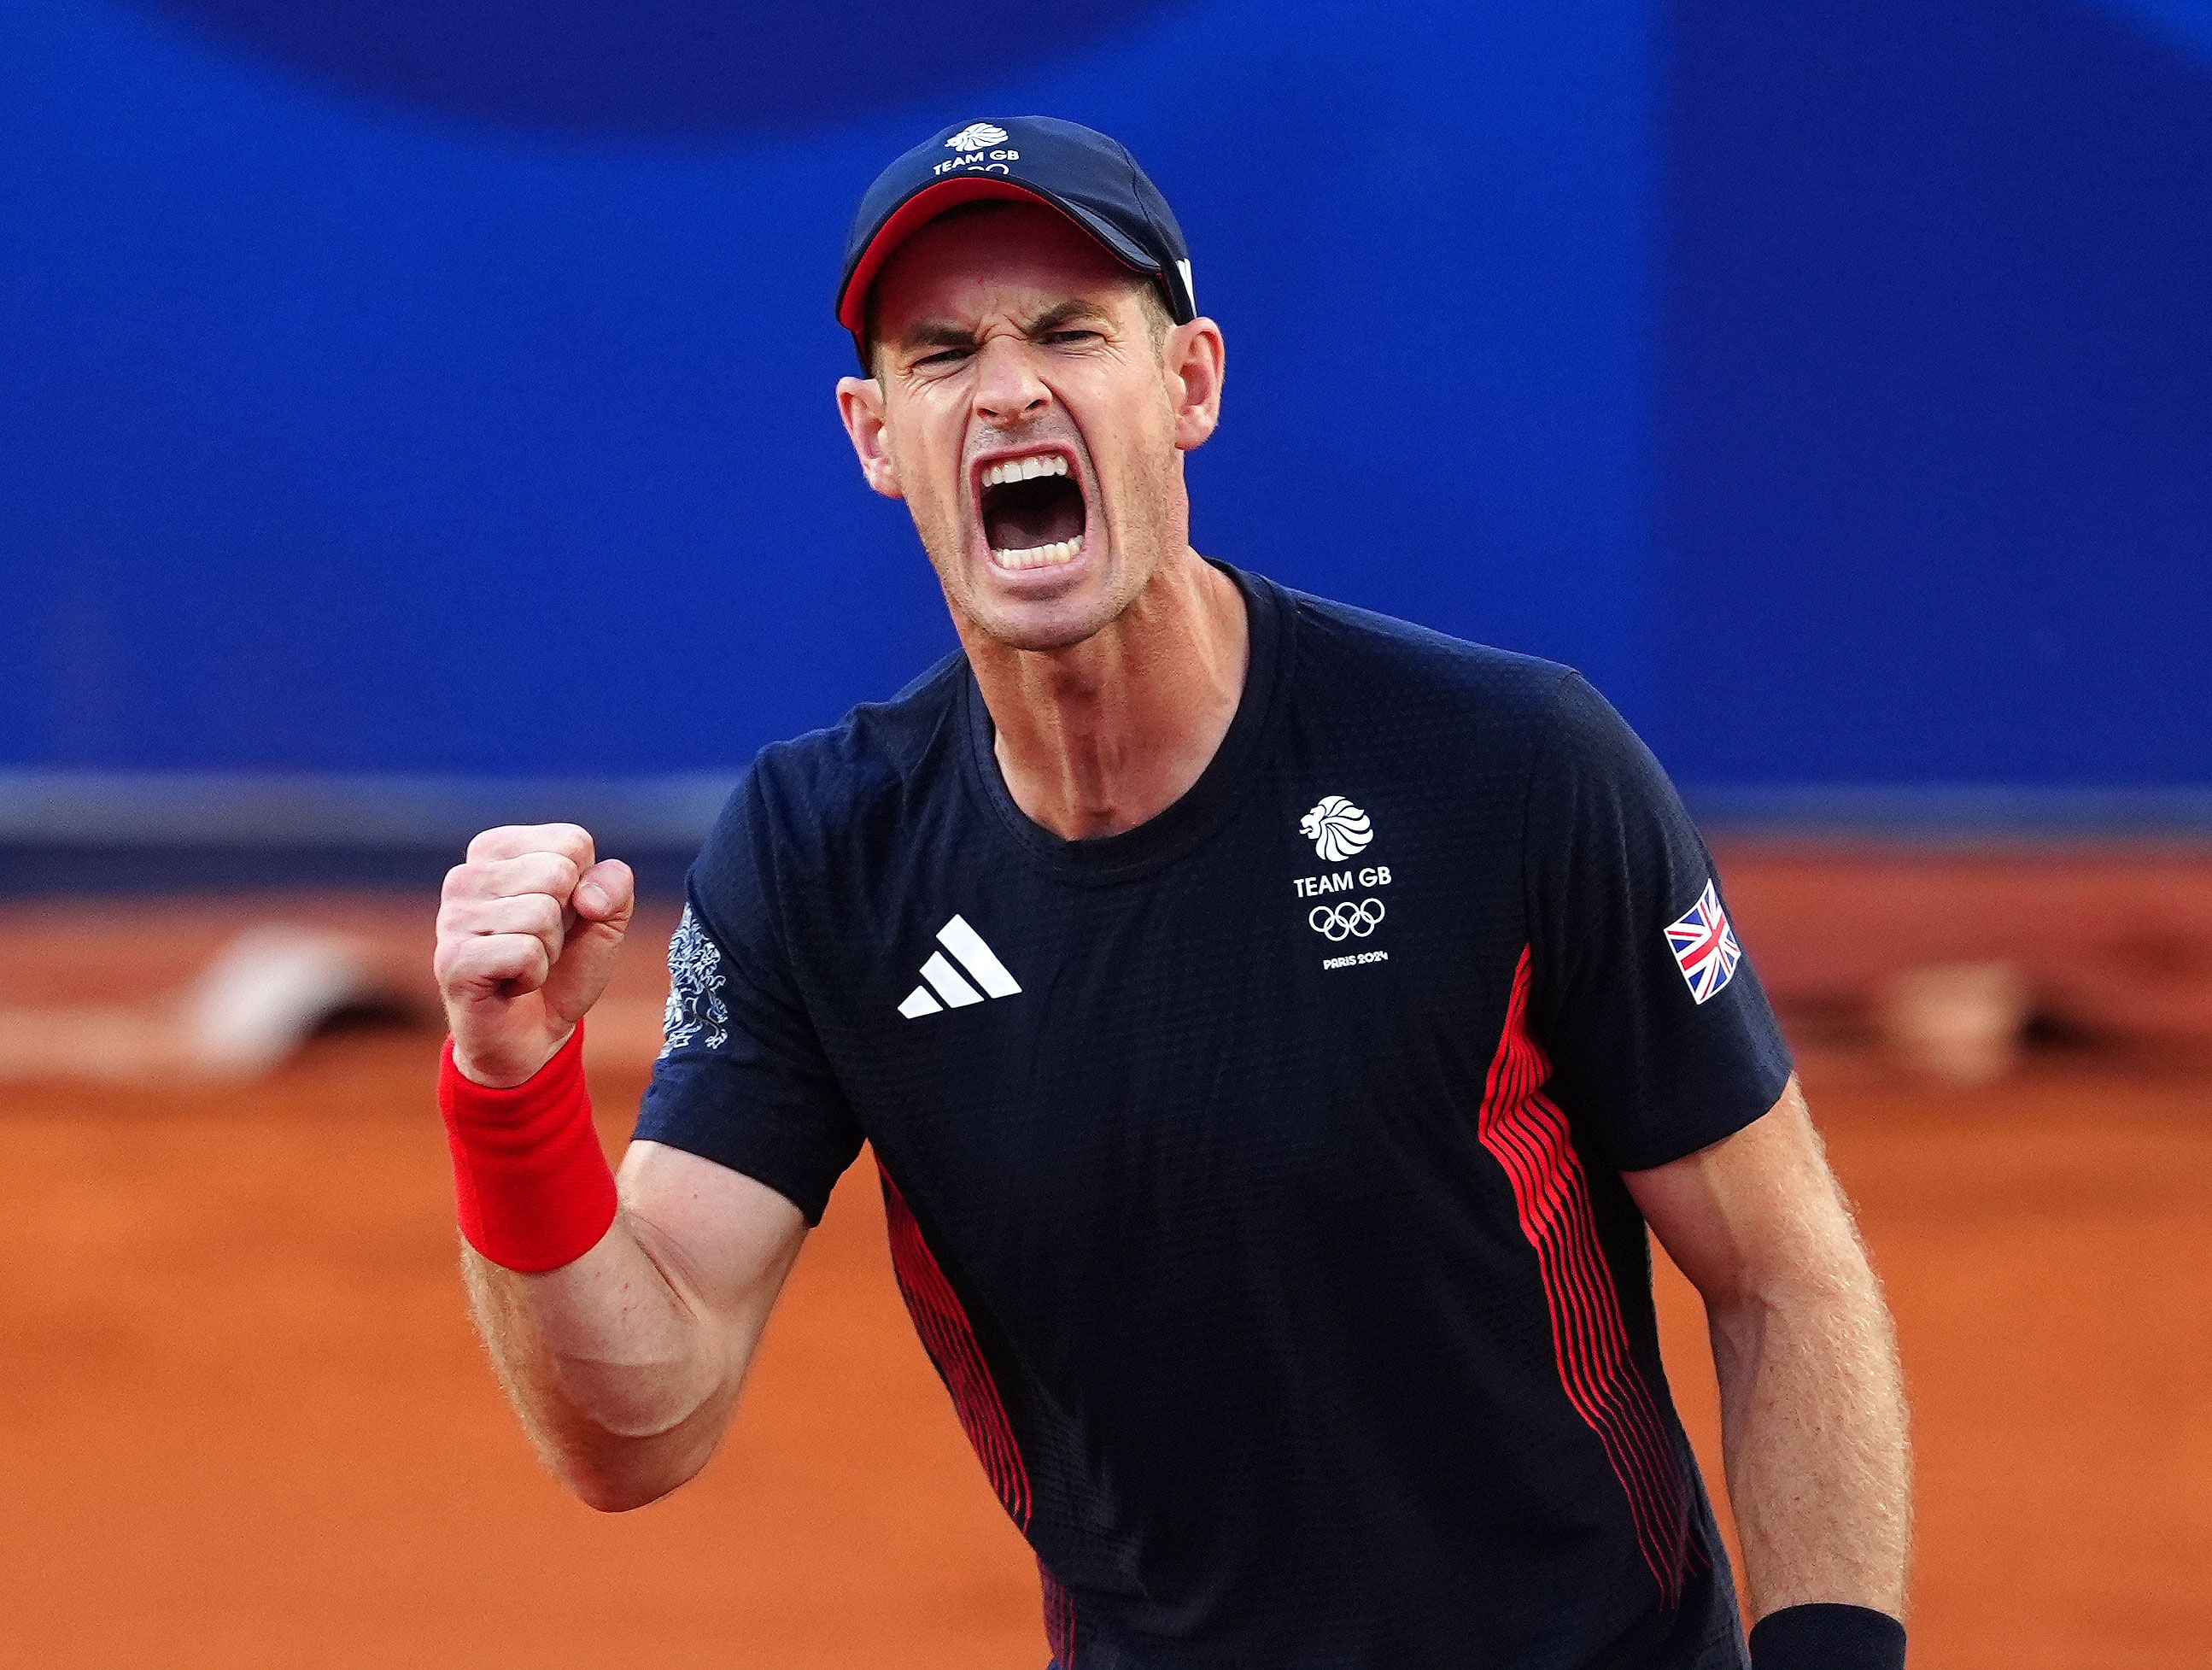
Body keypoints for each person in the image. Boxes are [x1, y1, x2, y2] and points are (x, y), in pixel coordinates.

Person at [432, 117, 1911, 1670]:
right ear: (874, 435)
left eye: (1070, 332)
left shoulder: (1510, 767)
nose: (1008, 388)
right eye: (943, 355)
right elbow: (638, 1425)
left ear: (1188, 383)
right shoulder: (820, 858)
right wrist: (508, 1091)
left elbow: (1779, 1274)